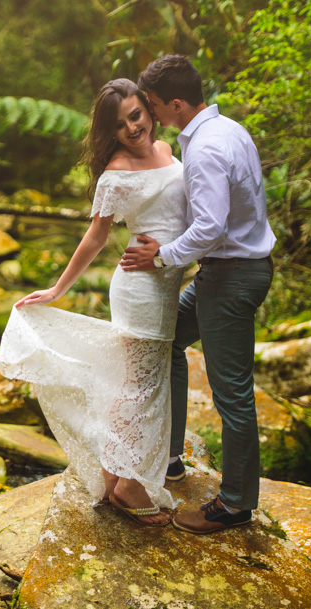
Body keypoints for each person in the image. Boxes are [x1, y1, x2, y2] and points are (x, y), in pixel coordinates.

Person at [0, 78, 187, 527]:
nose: (132, 128)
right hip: (141, 288)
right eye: (120, 125)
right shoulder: (116, 173)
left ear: (149, 110)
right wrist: (58, 290)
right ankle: (127, 485)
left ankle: (114, 470)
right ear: (110, 133)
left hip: (164, 283)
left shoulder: (167, 151)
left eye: (136, 115)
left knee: (141, 383)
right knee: (142, 387)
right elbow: (96, 236)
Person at [120, 54, 275, 534]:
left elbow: (209, 228)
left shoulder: (206, 148)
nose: (151, 114)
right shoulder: (228, 129)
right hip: (227, 274)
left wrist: (161, 255)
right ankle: (169, 458)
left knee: (233, 396)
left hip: (231, 278)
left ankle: (234, 504)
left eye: (154, 105)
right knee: (169, 343)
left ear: (177, 103)